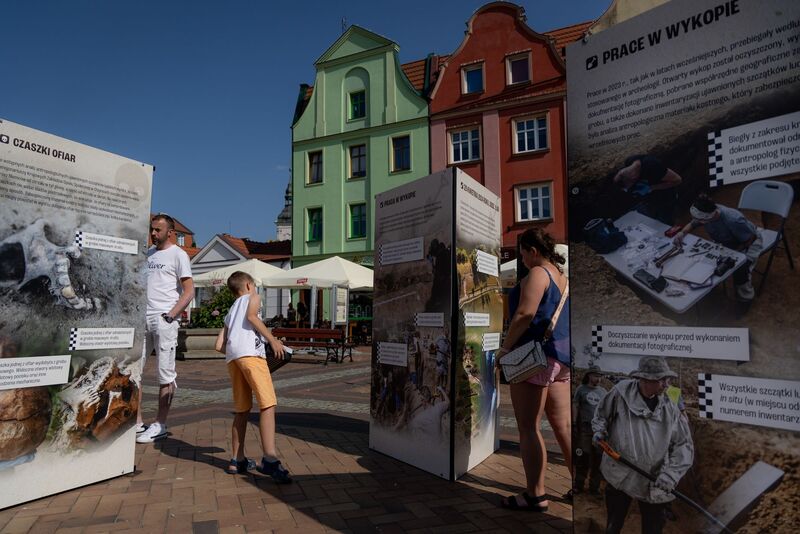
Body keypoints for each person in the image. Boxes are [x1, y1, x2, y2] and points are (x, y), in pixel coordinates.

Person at [497, 228, 571, 512]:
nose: (522, 259)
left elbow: (525, 314)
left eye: (523, 254)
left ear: (533, 251)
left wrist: (505, 349)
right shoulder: (562, 277)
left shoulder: (539, 273)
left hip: (535, 358)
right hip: (560, 359)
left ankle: (535, 495)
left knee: (528, 427)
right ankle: (581, 486)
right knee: (563, 426)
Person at [592, 356, 694, 534]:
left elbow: (683, 444)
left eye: (667, 379)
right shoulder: (621, 393)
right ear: (645, 380)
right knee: (613, 524)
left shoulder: (670, 405)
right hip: (621, 472)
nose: (666, 384)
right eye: (661, 379)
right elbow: (601, 415)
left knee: (653, 528)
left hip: (656, 479)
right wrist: (599, 431)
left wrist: (670, 475)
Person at [214, 271, 291, 483]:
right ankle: (270, 459)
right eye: (254, 286)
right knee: (268, 404)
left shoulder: (230, 311)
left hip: (233, 360)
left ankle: (236, 459)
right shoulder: (253, 297)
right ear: (248, 285)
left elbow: (218, 345)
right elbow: (252, 316)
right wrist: (273, 341)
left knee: (242, 409)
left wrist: (237, 352)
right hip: (251, 357)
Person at [136, 214, 194, 443]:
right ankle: (137, 422)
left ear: (170, 232)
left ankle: (160, 424)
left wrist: (171, 315)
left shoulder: (179, 254)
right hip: (143, 318)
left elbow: (189, 290)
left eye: (157, 230)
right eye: (151, 229)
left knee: (165, 374)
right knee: (134, 372)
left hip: (163, 319)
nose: (152, 233)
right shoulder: (148, 254)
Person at [674, 193, 762, 303]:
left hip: (747, 242)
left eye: (700, 220)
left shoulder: (733, 219)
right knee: (706, 260)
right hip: (725, 242)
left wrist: (733, 254)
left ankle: (745, 297)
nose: (697, 221)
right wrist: (682, 233)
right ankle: (706, 288)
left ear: (708, 218)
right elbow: (693, 223)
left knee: (740, 268)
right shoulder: (705, 214)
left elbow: (751, 238)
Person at [613, 155, 682, 224]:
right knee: (653, 222)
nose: (627, 190)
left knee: (667, 223)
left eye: (629, 187)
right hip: (649, 201)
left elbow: (677, 180)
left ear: (633, 178)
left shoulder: (653, 166)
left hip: (665, 200)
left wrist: (652, 188)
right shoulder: (629, 162)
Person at [573, 365, 607, 495]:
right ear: (589, 376)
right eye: (596, 376)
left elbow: (606, 409)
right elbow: (575, 405)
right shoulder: (581, 389)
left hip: (599, 429)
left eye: (600, 376)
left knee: (598, 458)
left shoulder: (603, 392)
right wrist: (574, 422)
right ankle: (579, 485)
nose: (598, 379)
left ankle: (594, 487)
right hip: (585, 428)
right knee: (583, 456)